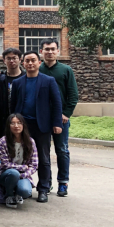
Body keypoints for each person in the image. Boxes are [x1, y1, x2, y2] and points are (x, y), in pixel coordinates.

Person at [10, 50, 62, 203]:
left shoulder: (49, 81)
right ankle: (18, 186)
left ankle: (43, 188)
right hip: (22, 126)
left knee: (43, 158)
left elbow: (56, 103)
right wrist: (12, 123)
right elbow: (13, 105)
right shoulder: (18, 82)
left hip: (42, 125)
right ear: (23, 63)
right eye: (27, 61)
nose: (30, 63)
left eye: (33, 60)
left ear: (39, 63)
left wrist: (57, 123)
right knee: (19, 156)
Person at [38, 38, 78, 198]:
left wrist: (66, 113)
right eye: (46, 49)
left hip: (61, 119)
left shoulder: (65, 70)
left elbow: (73, 95)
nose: (50, 52)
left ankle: (63, 182)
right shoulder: (37, 69)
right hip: (41, 118)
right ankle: (46, 182)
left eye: (52, 49)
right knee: (43, 152)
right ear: (41, 51)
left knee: (62, 150)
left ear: (58, 51)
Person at [0, 114, 38, 209]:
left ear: (23, 125)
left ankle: (17, 193)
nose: (16, 126)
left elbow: (34, 165)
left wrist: (23, 175)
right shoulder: (3, 141)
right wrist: (23, 167)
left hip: (23, 175)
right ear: (8, 126)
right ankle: (9, 195)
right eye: (12, 123)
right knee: (13, 173)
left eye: (19, 123)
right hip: (6, 173)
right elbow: (5, 164)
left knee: (25, 191)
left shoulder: (30, 142)